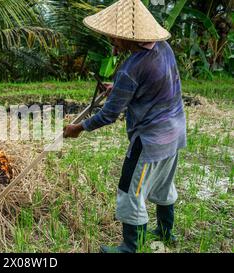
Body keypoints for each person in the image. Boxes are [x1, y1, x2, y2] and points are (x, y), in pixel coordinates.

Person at [63, 0, 187, 253]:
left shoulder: (131, 68)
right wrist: (116, 88)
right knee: (163, 184)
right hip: (176, 132)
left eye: (115, 38)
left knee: (130, 190)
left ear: (128, 38)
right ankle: (165, 232)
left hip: (150, 140)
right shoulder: (163, 48)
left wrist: (79, 128)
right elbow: (151, 85)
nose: (112, 41)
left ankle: (130, 248)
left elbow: (108, 115)